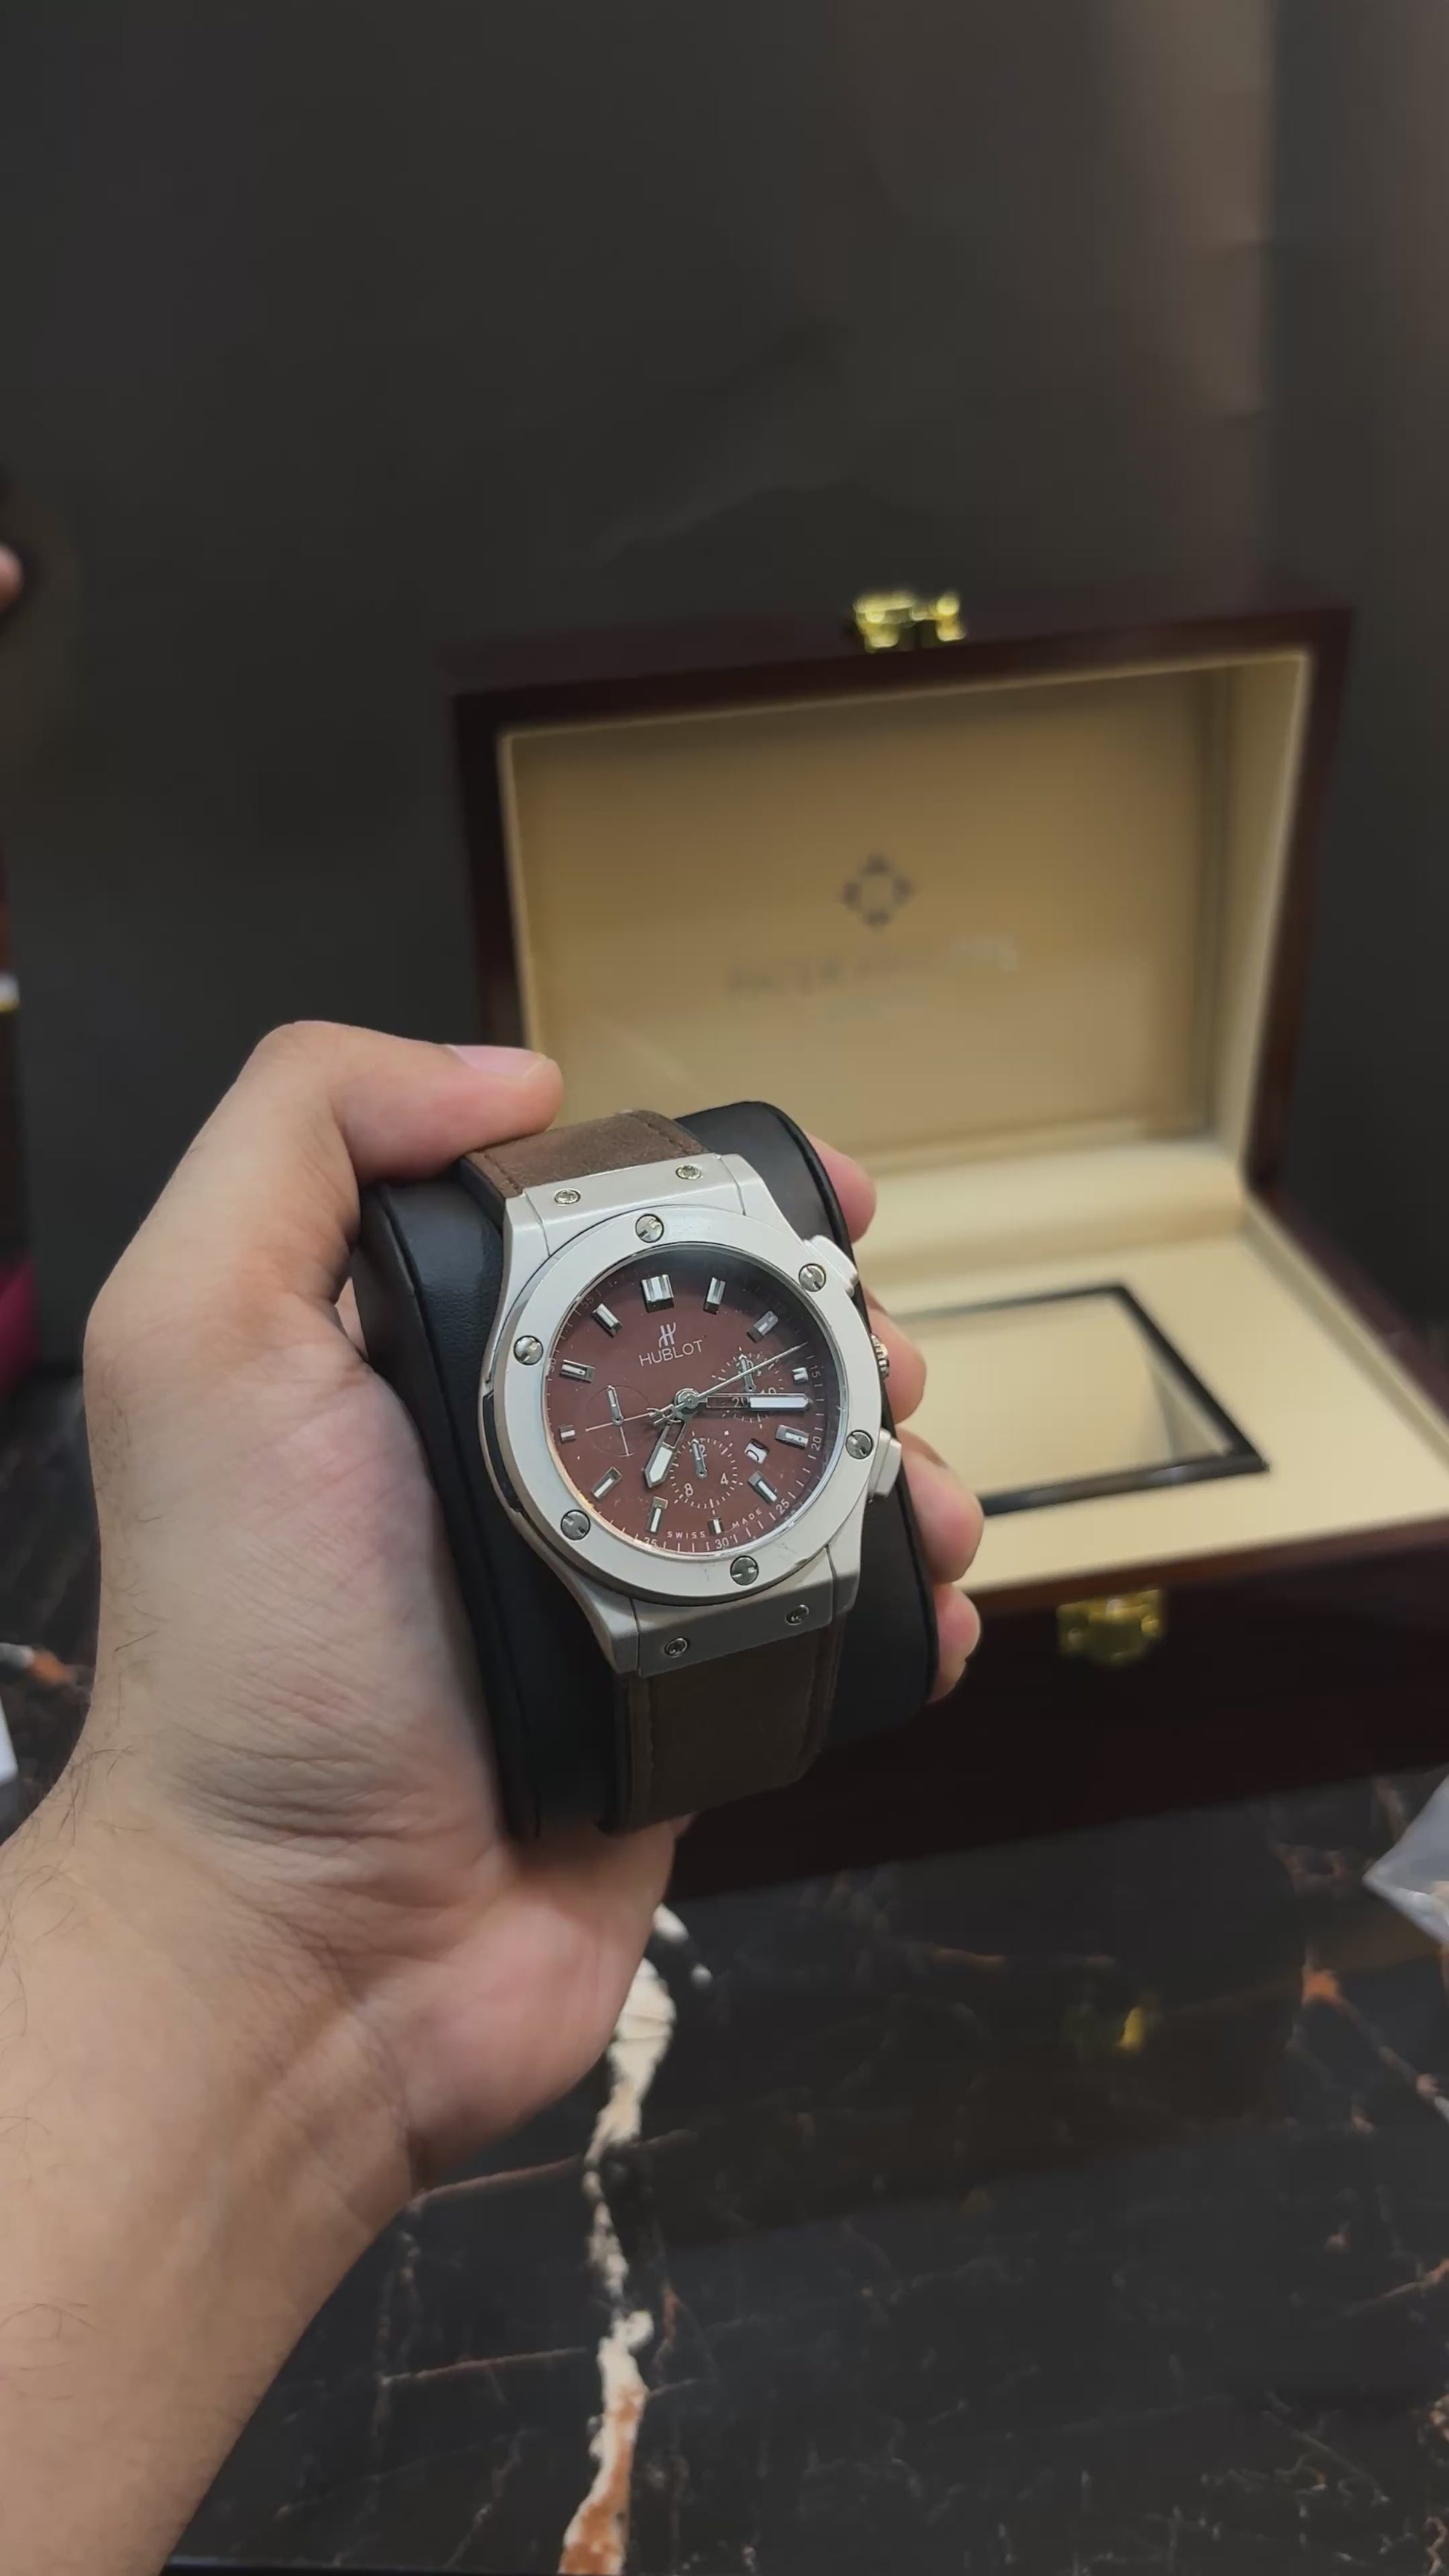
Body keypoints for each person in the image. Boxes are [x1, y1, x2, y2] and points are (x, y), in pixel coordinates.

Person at [0, 1024, 981, 2576]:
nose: (673, 1415)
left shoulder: (750, 1292)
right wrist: (254, 1905)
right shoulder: (485, 1284)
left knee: (878, 1488)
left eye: (703, 1399)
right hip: (629, 1603)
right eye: (651, 1414)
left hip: (771, 1539)